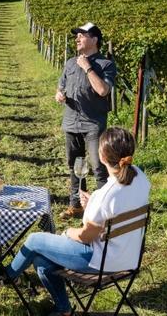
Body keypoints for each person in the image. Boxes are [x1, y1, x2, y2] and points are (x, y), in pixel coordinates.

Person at [0, 128, 150, 316]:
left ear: (102, 156)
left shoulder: (105, 195)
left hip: (100, 263)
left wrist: (67, 232)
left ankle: (5, 276)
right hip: (129, 257)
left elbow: (85, 236)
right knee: (42, 259)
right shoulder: (140, 177)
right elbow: (119, 208)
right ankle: (63, 310)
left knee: (35, 240)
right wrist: (92, 203)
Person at [55, 22, 117, 220]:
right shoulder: (71, 62)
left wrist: (88, 67)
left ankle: (103, 210)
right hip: (71, 121)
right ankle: (76, 205)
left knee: (99, 166)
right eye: (77, 36)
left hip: (93, 123)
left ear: (94, 39)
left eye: (82, 35)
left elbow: (103, 91)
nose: (77, 39)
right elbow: (61, 86)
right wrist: (59, 94)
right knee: (75, 165)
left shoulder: (106, 64)